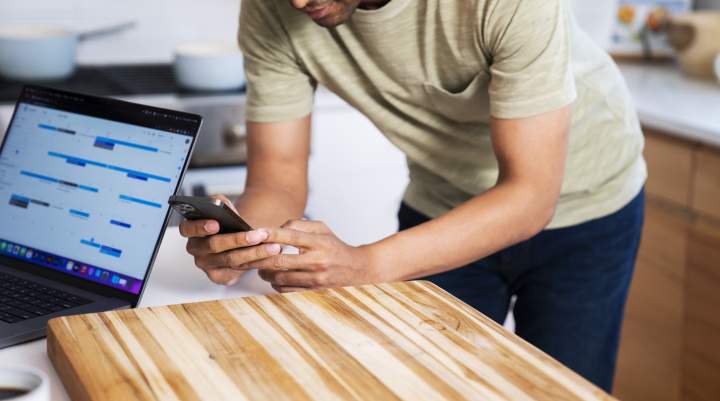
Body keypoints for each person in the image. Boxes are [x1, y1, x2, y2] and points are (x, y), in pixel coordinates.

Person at [179, 0, 646, 391]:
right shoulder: (273, 8)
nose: (299, 2)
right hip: (443, 200)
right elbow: (278, 178)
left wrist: (365, 265)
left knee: (557, 389)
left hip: (586, 202)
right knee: (426, 385)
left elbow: (530, 195)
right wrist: (241, 240)